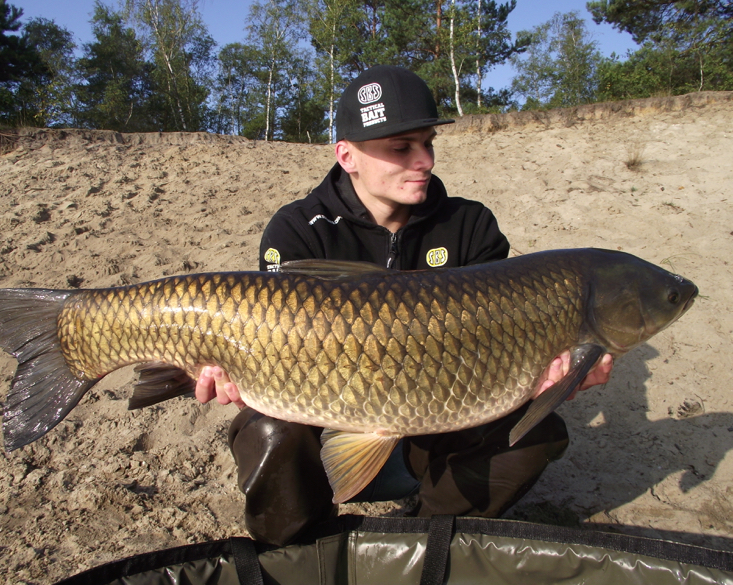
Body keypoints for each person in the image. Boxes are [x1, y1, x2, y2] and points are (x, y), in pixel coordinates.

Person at [195, 65, 613, 546]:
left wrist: (558, 377)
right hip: (322, 420)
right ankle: (300, 551)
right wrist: (225, 370)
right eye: (401, 148)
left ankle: (422, 538)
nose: (424, 161)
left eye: (428, 143)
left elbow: (504, 341)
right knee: (268, 428)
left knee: (537, 433)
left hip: (437, 422)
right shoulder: (297, 230)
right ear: (346, 155)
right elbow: (268, 344)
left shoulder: (470, 227)